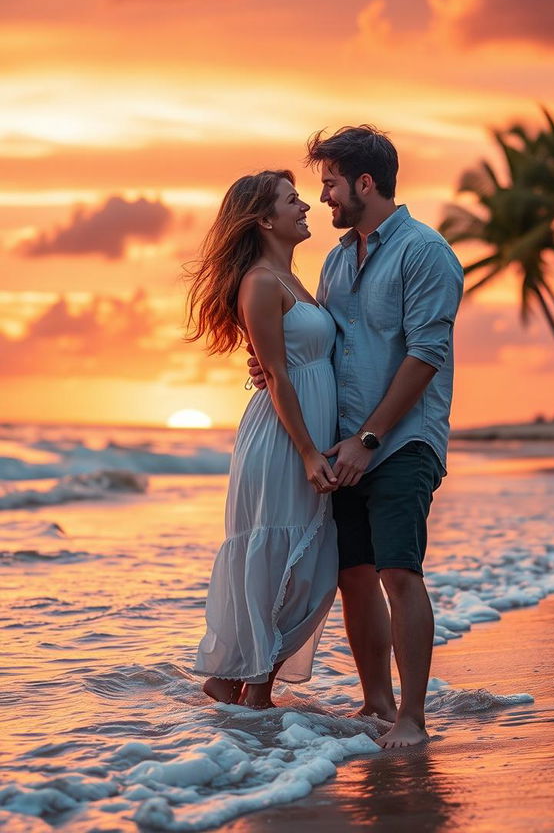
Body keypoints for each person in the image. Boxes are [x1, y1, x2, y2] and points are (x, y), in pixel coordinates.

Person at [249, 127, 464, 747]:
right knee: (354, 575)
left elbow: (425, 355)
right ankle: (376, 702)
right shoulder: (340, 258)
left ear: (365, 183)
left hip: (400, 441)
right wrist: (267, 362)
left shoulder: (426, 253)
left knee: (400, 572)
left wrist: (369, 439)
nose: (323, 199)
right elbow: (318, 337)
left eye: (331, 184)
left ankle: (412, 718)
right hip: (345, 445)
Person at [186, 169, 339, 709]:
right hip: (282, 441)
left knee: (312, 564)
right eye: (292, 200)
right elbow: (274, 373)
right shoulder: (260, 281)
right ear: (263, 218)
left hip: (307, 432)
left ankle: (238, 687)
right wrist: (307, 452)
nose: (306, 207)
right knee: (286, 559)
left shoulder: (297, 280)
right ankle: (254, 693)